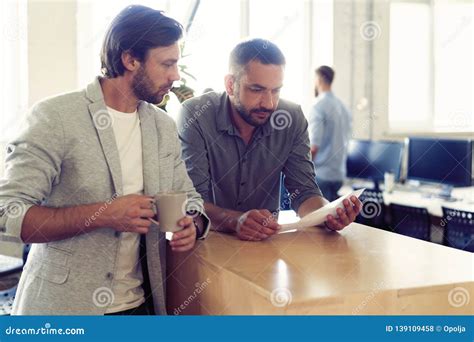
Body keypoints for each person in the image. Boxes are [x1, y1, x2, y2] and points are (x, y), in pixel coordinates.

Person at [0, 5, 209, 315]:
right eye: (166, 64)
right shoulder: (54, 117)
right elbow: (8, 214)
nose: (175, 76)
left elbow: (189, 198)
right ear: (130, 59)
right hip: (63, 310)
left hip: (141, 306)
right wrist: (102, 215)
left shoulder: (162, 126)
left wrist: (193, 221)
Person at [177, 39, 361, 242]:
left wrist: (328, 214)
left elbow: (304, 192)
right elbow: (193, 199)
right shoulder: (196, 115)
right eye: (256, 90)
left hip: (266, 243)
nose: (269, 103)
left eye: (276, 90)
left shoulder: (292, 118)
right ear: (230, 84)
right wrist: (235, 221)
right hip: (210, 241)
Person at [309, 66, 352, 201]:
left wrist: (302, 171)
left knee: (316, 220)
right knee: (331, 219)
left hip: (321, 176)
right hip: (339, 175)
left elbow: (314, 146)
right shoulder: (343, 106)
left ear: (319, 79)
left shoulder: (318, 105)